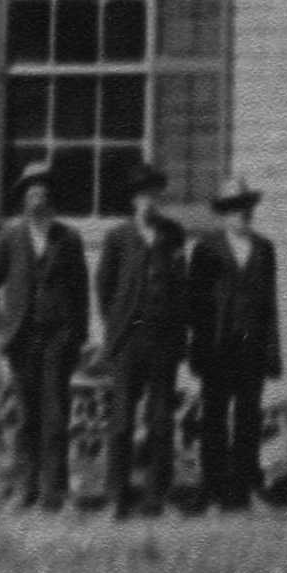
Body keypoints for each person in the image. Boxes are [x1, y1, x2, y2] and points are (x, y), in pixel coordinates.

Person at [0, 158, 90, 512]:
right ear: (24, 199)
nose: (37, 198)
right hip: (22, 341)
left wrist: (77, 337)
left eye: (43, 191)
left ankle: (54, 492)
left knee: (56, 416)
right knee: (27, 417)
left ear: (51, 197)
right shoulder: (10, 237)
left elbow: (81, 291)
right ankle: (27, 489)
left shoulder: (68, 238)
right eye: (31, 192)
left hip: (58, 339)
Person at [95, 163, 188, 518]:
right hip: (128, 341)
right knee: (121, 420)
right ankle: (117, 494)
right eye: (141, 196)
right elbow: (104, 287)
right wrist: (116, 326)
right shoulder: (118, 237)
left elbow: (181, 286)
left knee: (161, 420)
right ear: (133, 200)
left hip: (163, 340)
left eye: (153, 195)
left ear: (159, 198)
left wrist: (179, 333)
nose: (147, 202)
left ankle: (156, 496)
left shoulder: (173, 234)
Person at [186, 170, 282, 510]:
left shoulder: (264, 249)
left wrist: (272, 353)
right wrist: (196, 350)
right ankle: (210, 488)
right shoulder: (205, 248)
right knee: (213, 418)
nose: (241, 213)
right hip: (217, 347)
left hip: (251, 348)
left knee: (248, 418)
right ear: (223, 213)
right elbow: (195, 305)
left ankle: (242, 489)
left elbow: (269, 304)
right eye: (233, 207)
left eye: (245, 206)